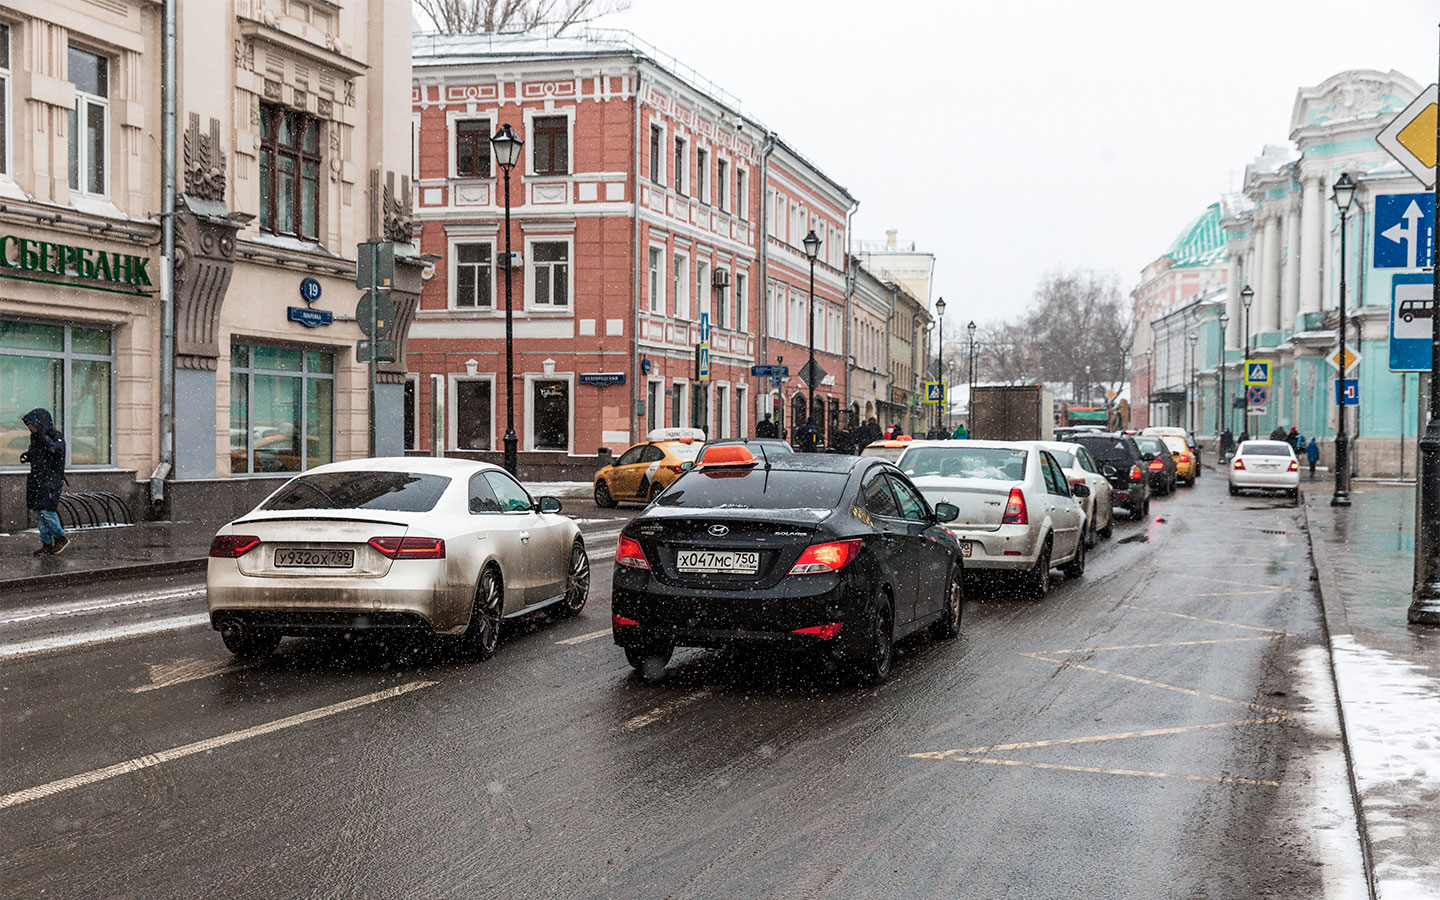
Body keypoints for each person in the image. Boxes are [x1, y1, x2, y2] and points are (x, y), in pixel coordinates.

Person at [22, 408, 68, 557]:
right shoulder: (35, 438)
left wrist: (43, 437)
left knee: (47, 511)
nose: (30, 427)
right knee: (38, 512)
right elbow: (37, 453)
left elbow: (56, 451)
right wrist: (27, 456)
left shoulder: (55, 436)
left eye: (31, 424)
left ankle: (60, 538)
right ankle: (46, 544)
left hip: (50, 480)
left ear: (40, 423)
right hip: (36, 479)